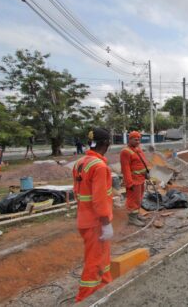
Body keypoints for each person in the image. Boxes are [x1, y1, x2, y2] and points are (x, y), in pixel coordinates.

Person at [73, 127, 114, 302]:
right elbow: (99, 200)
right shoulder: (99, 167)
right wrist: (106, 223)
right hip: (96, 223)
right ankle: (85, 299)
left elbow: (78, 193)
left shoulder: (80, 163)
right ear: (106, 144)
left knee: (103, 260)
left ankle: (105, 290)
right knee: (94, 262)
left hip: (84, 219)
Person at [120, 131, 149, 227]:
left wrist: (146, 173)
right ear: (130, 139)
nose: (137, 141)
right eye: (135, 139)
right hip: (133, 180)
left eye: (139, 139)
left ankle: (136, 215)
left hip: (141, 178)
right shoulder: (126, 152)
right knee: (133, 200)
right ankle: (132, 219)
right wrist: (129, 183)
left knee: (139, 198)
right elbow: (125, 169)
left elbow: (142, 162)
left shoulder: (138, 149)